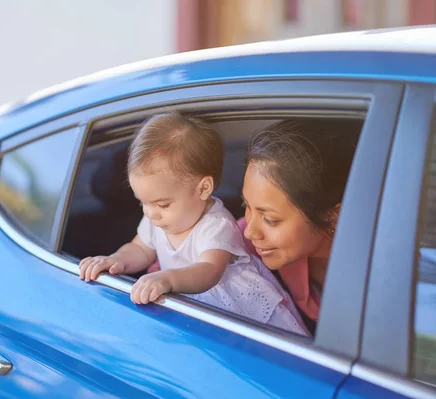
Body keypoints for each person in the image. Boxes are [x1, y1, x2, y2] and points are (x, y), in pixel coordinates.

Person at [79, 112, 308, 335]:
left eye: (163, 204)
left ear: (203, 189)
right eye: (142, 203)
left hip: (245, 312)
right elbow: (139, 249)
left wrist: (168, 278)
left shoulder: (217, 225)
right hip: (201, 311)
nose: (151, 214)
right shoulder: (156, 218)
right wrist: (115, 260)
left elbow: (208, 271)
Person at [238, 119, 362, 334]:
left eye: (271, 220)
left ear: (335, 216)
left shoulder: (376, 274)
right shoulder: (248, 233)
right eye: (247, 206)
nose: (250, 231)